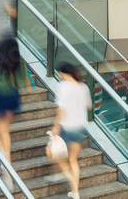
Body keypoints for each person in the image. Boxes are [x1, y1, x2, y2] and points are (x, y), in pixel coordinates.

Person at [0, 36, 31, 191]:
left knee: (2, 133)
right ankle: (3, 163)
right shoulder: (18, 62)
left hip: (0, 97)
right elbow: (26, 84)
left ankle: (7, 175)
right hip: (13, 97)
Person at [52, 62, 91, 199]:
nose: (60, 76)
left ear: (63, 73)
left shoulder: (63, 86)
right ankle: (75, 192)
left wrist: (56, 127)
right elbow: (88, 106)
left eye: (60, 74)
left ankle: (65, 176)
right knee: (73, 160)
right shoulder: (83, 87)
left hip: (66, 127)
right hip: (79, 128)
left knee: (57, 157)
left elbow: (61, 110)